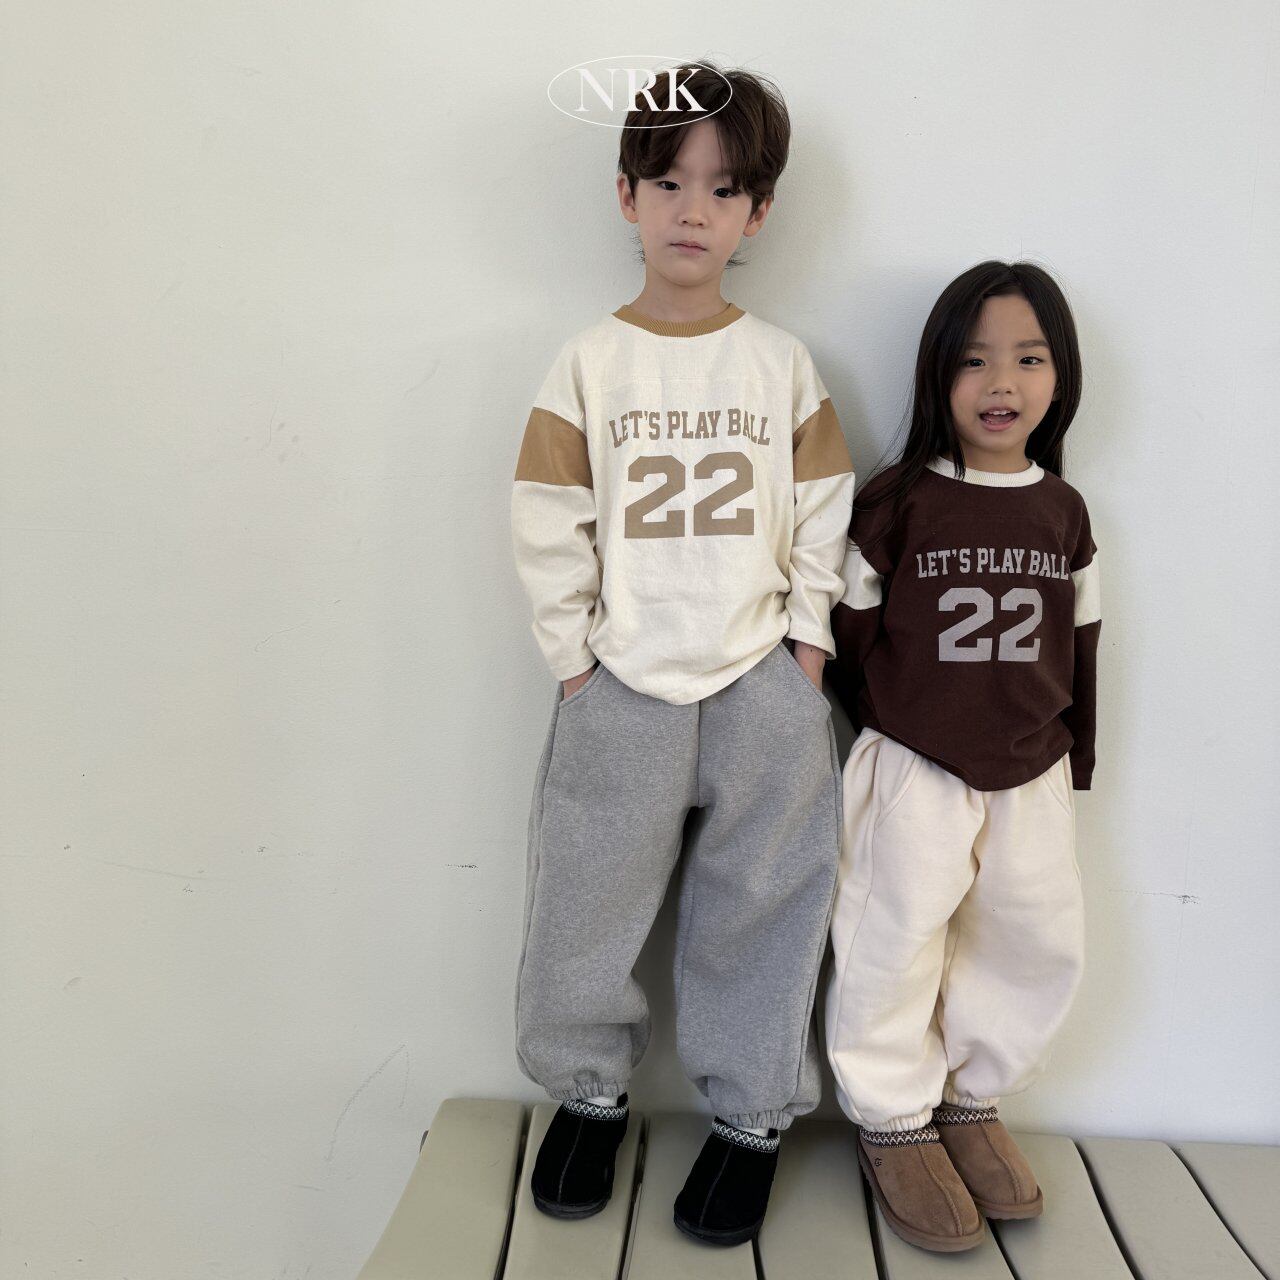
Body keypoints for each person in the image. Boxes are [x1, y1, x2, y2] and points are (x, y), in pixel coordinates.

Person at [509, 62, 854, 1247]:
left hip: (760, 682)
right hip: (621, 681)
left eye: (720, 188)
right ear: (626, 195)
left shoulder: (779, 364)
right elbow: (547, 517)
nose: (691, 210)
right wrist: (574, 661)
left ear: (757, 211)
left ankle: (751, 1111)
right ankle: (586, 1089)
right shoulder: (586, 363)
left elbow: (821, 508)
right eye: (667, 182)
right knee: (587, 896)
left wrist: (806, 648)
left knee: (763, 900)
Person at [824, 260, 1100, 1252]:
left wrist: (1074, 757)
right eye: (974, 360)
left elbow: (1081, 645)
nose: (1001, 382)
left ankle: (970, 1097)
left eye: (1028, 358)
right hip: (915, 761)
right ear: (936, 373)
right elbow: (847, 629)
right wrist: (883, 728)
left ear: (1059, 376)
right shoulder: (898, 501)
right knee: (891, 935)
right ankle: (890, 1113)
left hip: (1030, 767)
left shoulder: (1063, 511)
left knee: (1029, 933)